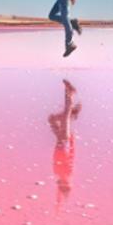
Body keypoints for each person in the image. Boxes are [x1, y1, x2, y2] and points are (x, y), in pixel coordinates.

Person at [48, 79, 82, 210]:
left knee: (51, 119)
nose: (61, 183)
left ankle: (73, 112)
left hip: (59, 141)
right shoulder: (67, 173)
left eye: (61, 185)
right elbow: (72, 156)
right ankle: (69, 93)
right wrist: (72, 141)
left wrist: (58, 202)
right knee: (66, 115)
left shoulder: (59, 174)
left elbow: (58, 191)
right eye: (64, 185)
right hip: (65, 140)